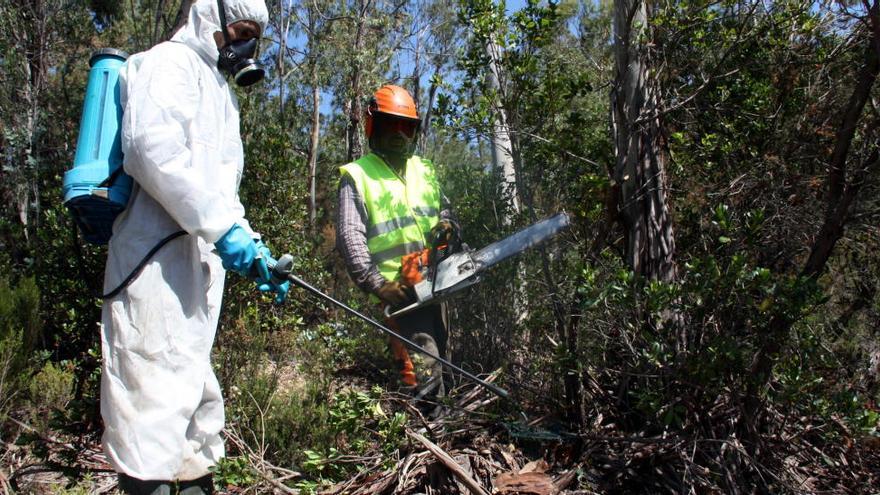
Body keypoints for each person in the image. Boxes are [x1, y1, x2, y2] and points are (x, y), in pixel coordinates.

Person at [100, 1, 287, 492]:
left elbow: (222, 191)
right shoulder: (168, 62)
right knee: (150, 409)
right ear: (212, 16)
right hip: (152, 263)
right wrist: (222, 227)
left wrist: (253, 247)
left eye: (254, 35)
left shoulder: (221, 93)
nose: (247, 43)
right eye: (242, 30)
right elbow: (150, 149)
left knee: (196, 404)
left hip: (196, 272)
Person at [336, 84, 459, 413]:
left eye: (406, 126)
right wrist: (377, 284)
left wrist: (447, 227)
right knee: (422, 364)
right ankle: (427, 436)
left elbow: (443, 211)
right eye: (391, 124)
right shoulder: (359, 175)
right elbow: (350, 236)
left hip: (436, 282)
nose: (398, 134)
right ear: (374, 126)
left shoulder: (425, 170)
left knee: (446, 360)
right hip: (401, 291)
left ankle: (447, 430)